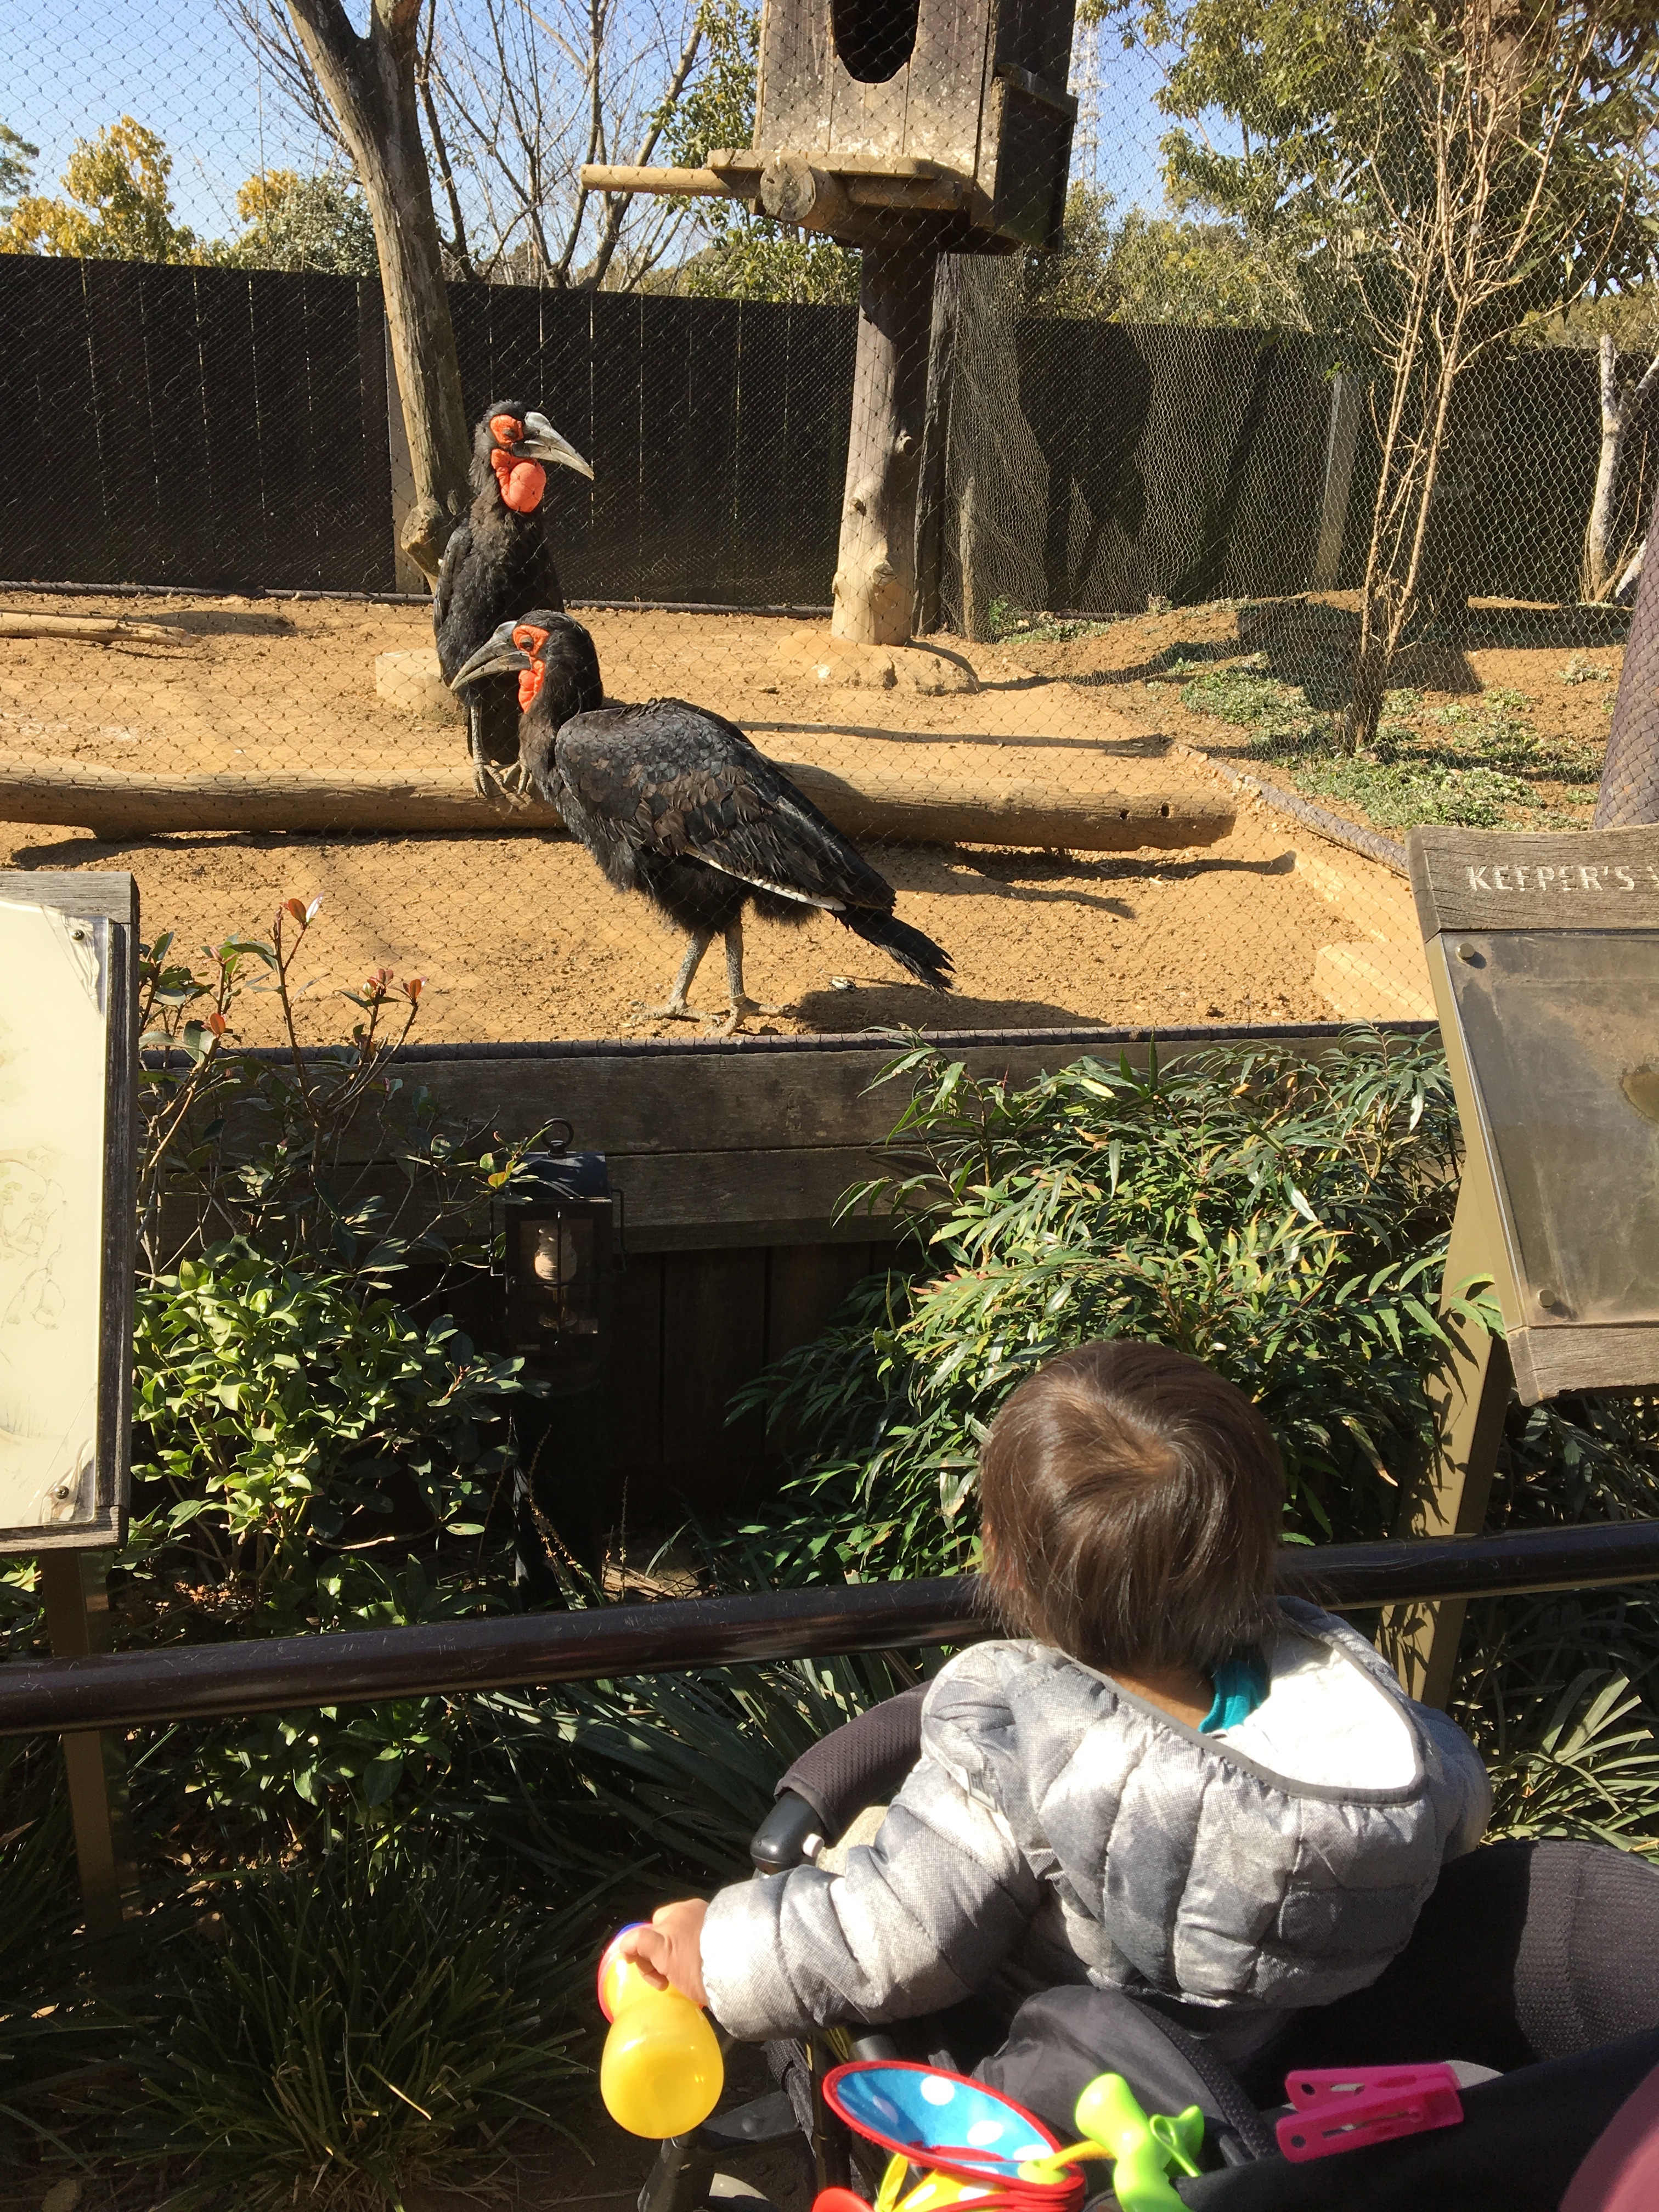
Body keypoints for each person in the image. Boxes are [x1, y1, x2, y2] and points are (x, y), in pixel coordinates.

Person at [617, 1340, 1492, 2052]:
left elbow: (887, 1936)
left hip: (1075, 2112)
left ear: (1004, 1561)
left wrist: (714, 1952)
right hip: (1267, 2099)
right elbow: (1462, 1802)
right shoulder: (1364, 1737)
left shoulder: (1024, 1743)